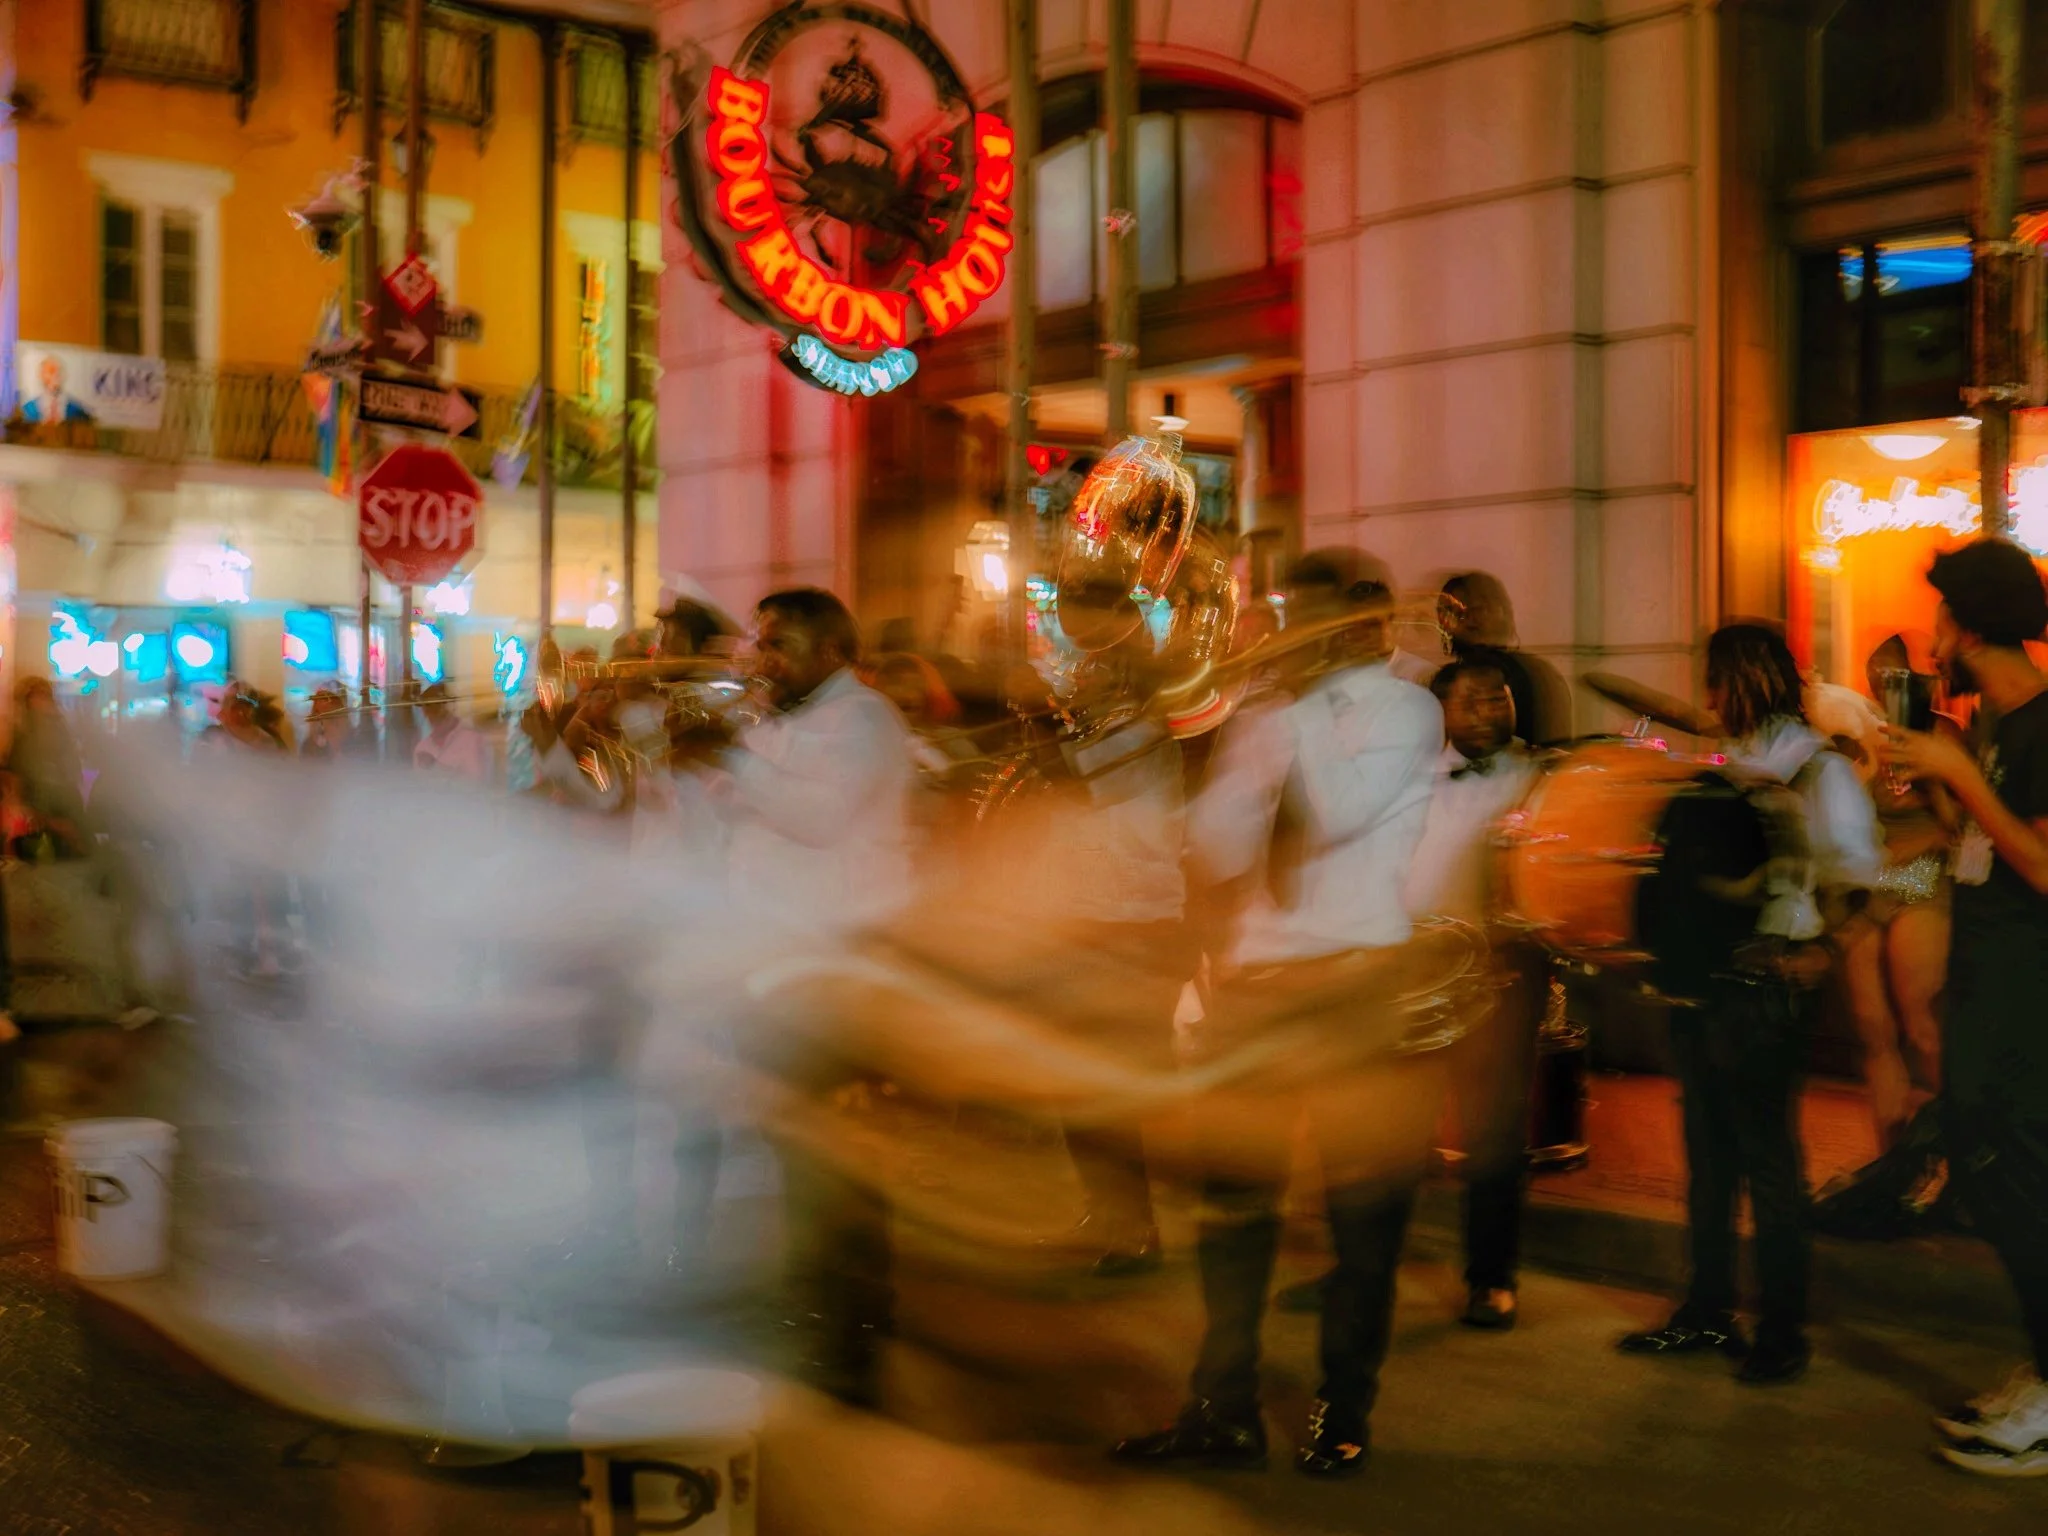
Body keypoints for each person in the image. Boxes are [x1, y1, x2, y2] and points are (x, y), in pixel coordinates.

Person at [1112, 574, 1443, 1479]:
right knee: (1231, 1211)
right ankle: (1222, 1408)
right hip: (1257, 989)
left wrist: (1288, 721)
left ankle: (1344, 1405)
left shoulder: (1406, 710)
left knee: (1360, 1218)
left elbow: (1336, 814)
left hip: (1354, 987)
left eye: (1308, 624)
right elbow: (1215, 849)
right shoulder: (1266, 715)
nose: (1287, 638)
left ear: (1358, 632)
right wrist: (1220, 745)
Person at [1618, 622, 1881, 1385]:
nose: (1708, 695)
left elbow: (1876, 878)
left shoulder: (1818, 770)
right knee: (1708, 1161)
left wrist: (1824, 951)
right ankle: (1706, 1310)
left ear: (1748, 680)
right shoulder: (1727, 763)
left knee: (1767, 1165)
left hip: (1767, 987)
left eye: (1717, 680)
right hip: (1705, 985)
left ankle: (1783, 1330)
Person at [720, 587, 916, 1407]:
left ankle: (849, 1336)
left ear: (832, 651)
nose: (762, 658)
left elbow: (818, 818)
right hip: (781, 963)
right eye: (760, 642)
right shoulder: (780, 720)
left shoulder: (863, 719)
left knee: (834, 1161)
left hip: (839, 968)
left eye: (780, 644)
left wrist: (726, 756)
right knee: (798, 1154)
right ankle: (824, 1308)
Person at [1880, 538, 2048, 1476]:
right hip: (1986, 988)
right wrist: (1939, 787)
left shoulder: (2045, 725)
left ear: (1971, 628)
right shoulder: (1986, 724)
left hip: (2030, 1001)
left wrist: (1964, 776)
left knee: (2022, 1188)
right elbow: (1984, 848)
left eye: (1940, 618)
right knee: (1991, 1182)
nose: (1931, 636)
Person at [1403, 654, 1546, 1330]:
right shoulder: (1405, 776)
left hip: (1500, 976)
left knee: (1493, 1134)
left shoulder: (1540, 776)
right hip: (1413, 969)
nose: (1491, 712)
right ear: (1440, 711)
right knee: (1393, 1127)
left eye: (1500, 699)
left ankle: (1491, 1279)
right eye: (1475, 701)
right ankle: (1362, 1265)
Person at [1841, 636, 1955, 1146]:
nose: (1882, 687)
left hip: (1922, 876)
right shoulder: (1870, 737)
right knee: (1873, 1027)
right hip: (1875, 879)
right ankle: (1891, 1157)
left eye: (1892, 678)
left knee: (1921, 1026)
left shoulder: (1942, 735)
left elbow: (1960, 824)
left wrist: (1930, 776)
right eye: (1876, 679)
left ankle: (1973, 1148)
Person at [1437, 571, 1570, 746]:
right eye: (1452, 612)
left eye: (1477, 610)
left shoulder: (1491, 675)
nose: (1467, 620)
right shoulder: (1538, 670)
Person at [413, 683, 493, 783]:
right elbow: (418, 786)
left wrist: (436, 767)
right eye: (426, 708)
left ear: (449, 708)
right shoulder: (422, 748)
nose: (429, 714)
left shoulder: (472, 740)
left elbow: (477, 784)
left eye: (434, 707)